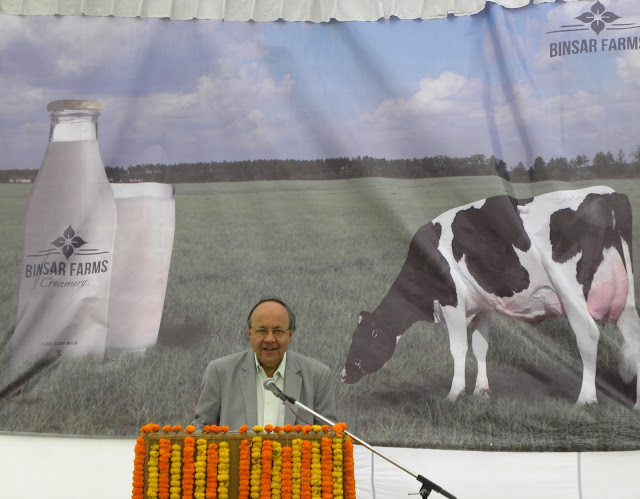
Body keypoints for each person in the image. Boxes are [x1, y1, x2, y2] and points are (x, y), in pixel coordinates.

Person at [192, 297, 337, 431]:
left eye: (278, 331)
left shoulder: (317, 376)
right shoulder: (220, 372)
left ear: (290, 333)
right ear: (249, 332)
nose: (269, 339)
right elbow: (201, 427)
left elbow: (329, 432)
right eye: (262, 331)